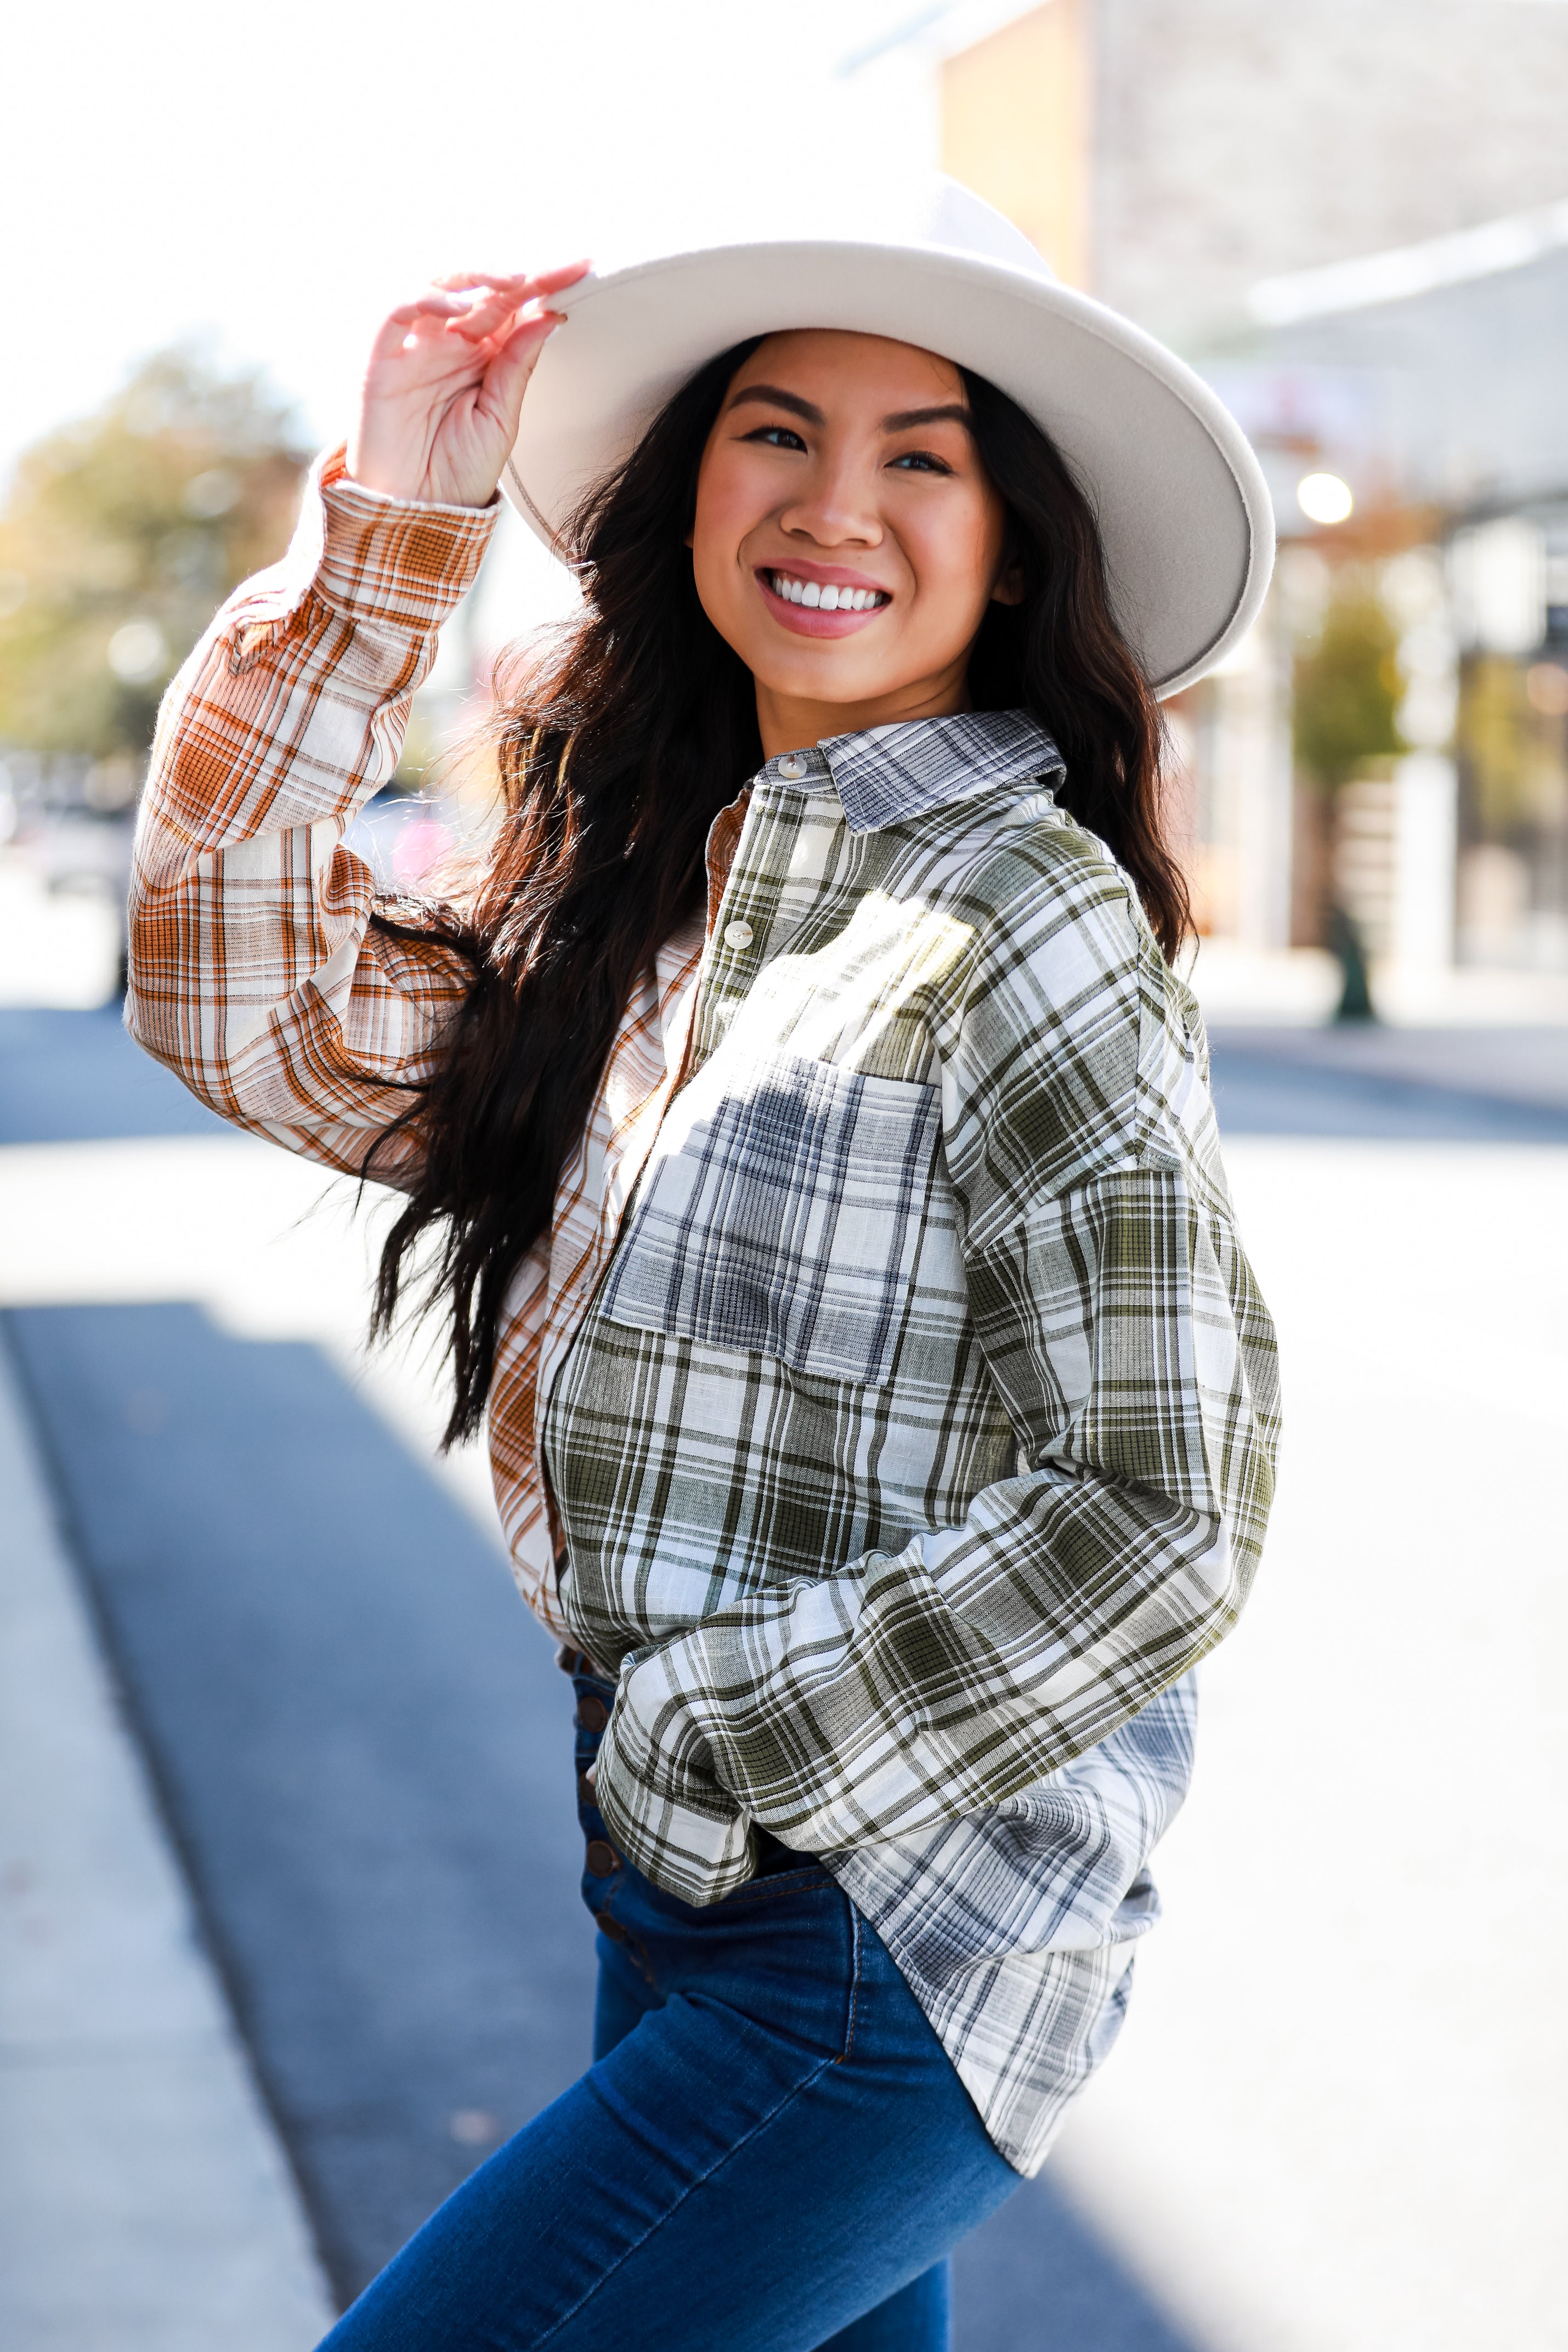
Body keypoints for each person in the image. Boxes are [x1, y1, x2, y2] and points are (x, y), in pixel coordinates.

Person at [126, 182, 1280, 2352]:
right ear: (691, 491)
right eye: (775, 429)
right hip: (691, 1902)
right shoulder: (654, 918)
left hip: (884, 1947)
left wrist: (725, 1739)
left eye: (919, 452)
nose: (832, 499)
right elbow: (230, 988)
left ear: (1012, 540)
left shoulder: (1018, 913)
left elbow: (1158, 1500)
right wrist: (392, 523)